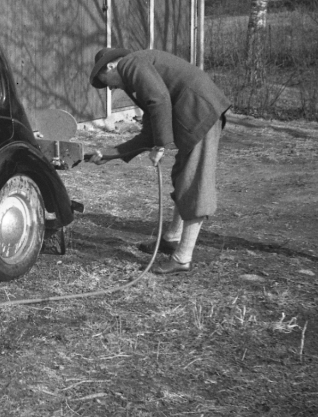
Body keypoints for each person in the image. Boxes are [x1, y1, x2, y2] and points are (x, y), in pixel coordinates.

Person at [85, 48, 231, 274]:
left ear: (111, 66)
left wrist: (161, 145)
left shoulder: (132, 64)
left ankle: (183, 258)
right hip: (190, 114)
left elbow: (159, 100)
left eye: (108, 83)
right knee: (184, 176)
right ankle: (172, 238)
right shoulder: (138, 75)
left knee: (194, 182)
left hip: (200, 112)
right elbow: (150, 129)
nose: (112, 89)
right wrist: (110, 153)